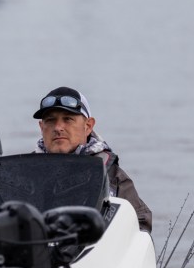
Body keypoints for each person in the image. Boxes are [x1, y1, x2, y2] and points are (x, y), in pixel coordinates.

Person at [32, 86, 152, 233]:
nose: (58, 127)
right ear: (41, 127)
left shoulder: (111, 175)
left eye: (68, 119)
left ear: (88, 126)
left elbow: (141, 224)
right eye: (50, 120)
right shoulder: (25, 171)